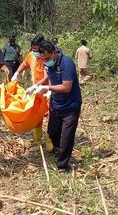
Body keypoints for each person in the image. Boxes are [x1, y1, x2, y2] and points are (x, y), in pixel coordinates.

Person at [34, 41, 82, 172]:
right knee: (53, 133)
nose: (45, 61)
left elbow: (66, 87)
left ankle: (62, 165)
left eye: (47, 58)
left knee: (67, 137)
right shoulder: (48, 63)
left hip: (70, 105)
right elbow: (48, 77)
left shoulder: (66, 63)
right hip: (56, 104)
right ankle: (58, 151)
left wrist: (47, 88)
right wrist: (37, 85)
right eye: (42, 59)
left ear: (54, 53)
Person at [11, 34, 53, 152]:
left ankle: (50, 140)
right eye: (33, 49)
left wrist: (36, 86)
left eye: (37, 50)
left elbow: (46, 76)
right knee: (37, 115)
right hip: (37, 91)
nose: (35, 52)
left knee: (51, 116)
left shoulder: (46, 58)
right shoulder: (31, 55)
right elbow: (24, 64)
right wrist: (17, 73)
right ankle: (37, 140)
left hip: (49, 90)